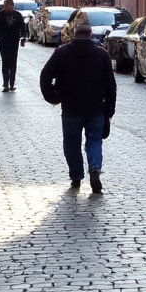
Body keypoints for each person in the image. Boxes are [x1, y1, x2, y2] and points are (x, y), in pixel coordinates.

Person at [40, 23, 116, 194]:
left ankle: (76, 176)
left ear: (75, 34)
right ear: (90, 35)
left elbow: (45, 76)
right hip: (96, 108)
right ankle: (95, 170)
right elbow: (111, 86)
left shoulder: (62, 52)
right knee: (95, 141)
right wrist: (109, 111)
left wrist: (53, 97)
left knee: (71, 143)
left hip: (70, 107)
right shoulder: (101, 54)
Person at [0, 0, 27, 92]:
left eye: (12, 5)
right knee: (5, 62)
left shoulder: (17, 15)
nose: (10, 7)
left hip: (14, 41)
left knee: (13, 62)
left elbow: (23, 28)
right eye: (8, 5)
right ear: (5, 6)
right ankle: (5, 84)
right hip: (3, 41)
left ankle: (11, 83)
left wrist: (23, 39)